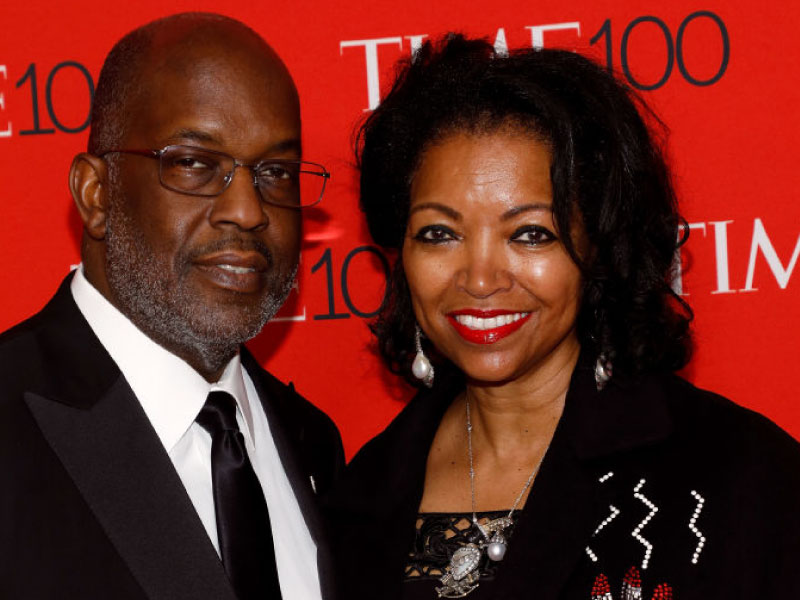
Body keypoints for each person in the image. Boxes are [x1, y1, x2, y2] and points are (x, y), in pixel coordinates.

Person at [324, 35, 800, 600]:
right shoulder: (358, 497)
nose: (480, 279)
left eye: (530, 234)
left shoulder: (739, 476)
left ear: (597, 247)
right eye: (439, 233)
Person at [0, 13, 343, 600]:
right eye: (193, 164)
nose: (248, 210)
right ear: (96, 194)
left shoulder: (313, 440)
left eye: (276, 172)